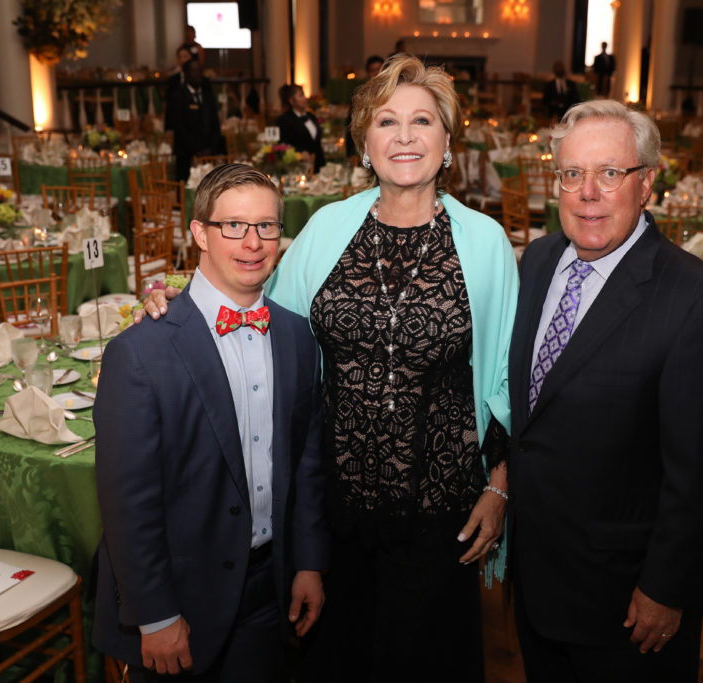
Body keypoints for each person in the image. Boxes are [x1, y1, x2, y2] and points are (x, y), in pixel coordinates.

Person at [140, 54, 518, 683]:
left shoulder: (485, 243)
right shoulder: (325, 229)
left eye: (422, 121)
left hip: (440, 518)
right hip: (331, 516)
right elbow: (256, 313)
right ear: (363, 144)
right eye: (387, 122)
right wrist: (177, 301)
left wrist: (499, 486)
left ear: (448, 142)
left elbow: (507, 379)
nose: (404, 136)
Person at [507, 100, 703, 681]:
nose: (588, 192)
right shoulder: (537, 262)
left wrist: (668, 588)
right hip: (536, 579)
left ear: (647, 185)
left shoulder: (697, 302)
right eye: (572, 174)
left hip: (625, 605)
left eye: (610, 173)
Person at [92, 163, 328, 681]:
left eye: (266, 226)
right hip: (180, 597)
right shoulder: (139, 351)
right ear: (199, 231)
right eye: (234, 226)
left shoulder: (296, 336)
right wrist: (154, 614)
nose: (253, 242)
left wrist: (308, 562)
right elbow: (127, 499)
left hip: (270, 585)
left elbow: (306, 463)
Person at [165, 59, 224, 181]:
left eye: (199, 71)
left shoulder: (207, 95)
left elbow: (215, 124)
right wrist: (197, 150)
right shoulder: (178, 96)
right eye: (193, 71)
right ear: (186, 74)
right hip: (186, 155)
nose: (197, 75)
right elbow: (179, 127)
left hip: (209, 155)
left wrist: (210, 148)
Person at [276, 84, 325, 173]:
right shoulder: (284, 120)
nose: (305, 98)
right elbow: (284, 144)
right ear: (291, 100)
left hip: (318, 165)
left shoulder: (311, 116)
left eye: (304, 95)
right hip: (298, 167)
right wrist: (300, 152)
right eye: (301, 95)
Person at [345, 55, 386, 160]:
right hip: (367, 149)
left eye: (379, 70)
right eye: (373, 71)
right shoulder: (361, 96)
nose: (376, 74)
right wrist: (350, 153)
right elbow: (351, 125)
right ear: (368, 73)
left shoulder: (395, 93)